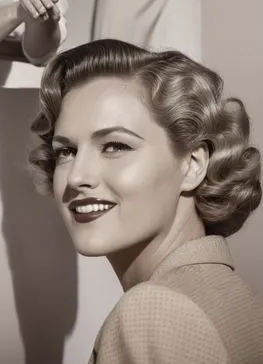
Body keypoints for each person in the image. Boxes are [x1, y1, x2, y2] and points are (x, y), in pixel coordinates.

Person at [29, 38, 263, 363]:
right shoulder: (236, 298)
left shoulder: (154, 310)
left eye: (115, 146)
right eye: (66, 151)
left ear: (192, 165)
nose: (77, 176)